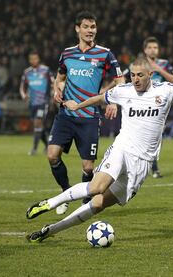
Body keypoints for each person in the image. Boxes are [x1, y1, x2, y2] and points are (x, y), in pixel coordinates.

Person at [25, 58, 173, 243]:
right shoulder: (124, 90)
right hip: (122, 148)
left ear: (150, 74)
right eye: (133, 75)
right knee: (96, 187)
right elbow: (101, 98)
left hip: (142, 163)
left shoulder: (166, 90)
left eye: (140, 75)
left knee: (98, 204)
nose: (135, 79)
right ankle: (50, 203)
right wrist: (78, 105)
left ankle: (49, 231)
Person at [49, 11, 124, 215]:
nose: (90, 31)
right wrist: (58, 90)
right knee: (52, 155)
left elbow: (120, 81)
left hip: (89, 117)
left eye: (93, 27)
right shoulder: (67, 54)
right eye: (86, 27)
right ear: (77, 29)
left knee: (88, 168)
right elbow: (60, 77)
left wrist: (113, 101)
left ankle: (84, 203)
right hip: (66, 115)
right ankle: (65, 193)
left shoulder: (105, 54)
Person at [143, 36, 173, 178]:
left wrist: (158, 69)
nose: (153, 50)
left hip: (158, 108)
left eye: (155, 47)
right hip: (141, 106)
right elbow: (124, 79)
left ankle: (154, 168)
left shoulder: (165, 64)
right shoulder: (139, 64)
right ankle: (147, 167)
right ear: (145, 50)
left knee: (155, 138)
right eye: (150, 47)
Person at [20, 51, 54, 155]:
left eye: (35, 58)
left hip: (43, 101)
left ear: (38, 59)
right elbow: (22, 87)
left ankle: (34, 149)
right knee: (39, 126)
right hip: (32, 103)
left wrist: (54, 94)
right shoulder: (27, 72)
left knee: (38, 123)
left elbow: (54, 82)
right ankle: (49, 145)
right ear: (29, 60)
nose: (33, 60)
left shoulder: (46, 70)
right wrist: (24, 95)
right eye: (31, 59)